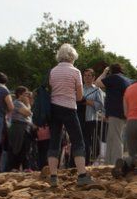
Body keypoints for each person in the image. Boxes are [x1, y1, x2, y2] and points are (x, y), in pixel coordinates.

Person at [47, 44, 93, 186]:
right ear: (72, 57)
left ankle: (53, 176)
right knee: (78, 140)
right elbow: (79, 97)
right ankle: (82, 175)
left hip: (54, 108)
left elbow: (50, 88)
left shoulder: (52, 71)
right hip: (69, 108)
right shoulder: (75, 72)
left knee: (54, 141)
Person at [96, 63, 131, 165]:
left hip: (115, 112)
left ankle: (116, 162)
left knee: (115, 138)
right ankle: (109, 162)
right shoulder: (126, 80)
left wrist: (104, 72)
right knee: (111, 137)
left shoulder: (114, 78)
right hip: (123, 112)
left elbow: (97, 83)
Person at [80, 69, 104, 165]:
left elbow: (100, 106)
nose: (87, 77)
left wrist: (87, 102)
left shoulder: (97, 90)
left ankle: (85, 164)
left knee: (86, 142)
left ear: (94, 77)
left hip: (90, 119)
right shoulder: (79, 88)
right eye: (85, 75)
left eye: (89, 75)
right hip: (78, 118)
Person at [8, 86, 33, 171]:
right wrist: (28, 104)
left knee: (25, 148)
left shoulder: (23, 104)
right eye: (26, 94)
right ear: (20, 94)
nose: (27, 96)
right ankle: (15, 167)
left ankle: (25, 167)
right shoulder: (17, 103)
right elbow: (27, 113)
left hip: (25, 127)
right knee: (18, 148)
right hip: (19, 127)